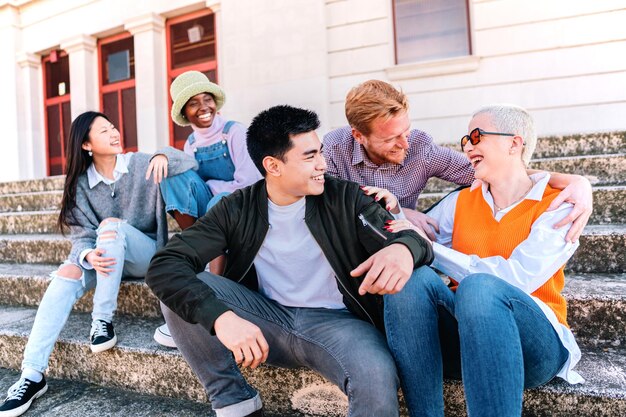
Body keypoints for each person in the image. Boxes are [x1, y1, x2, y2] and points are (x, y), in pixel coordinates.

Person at [145, 105, 434, 417]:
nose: (323, 164)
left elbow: (414, 239)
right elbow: (165, 264)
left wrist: (404, 249)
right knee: (182, 289)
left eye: (321, 153)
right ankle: (234, 401)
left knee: (375, 375)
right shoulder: (236, 208)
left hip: (340, 326)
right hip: (266, 318)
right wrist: (221, 318)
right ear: (273, 165)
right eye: (310, 156)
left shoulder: (346, 198)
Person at [381, 104, 583, 417]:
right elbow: (413, 240)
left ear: (514, 143)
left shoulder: (560, 205)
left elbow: (516, 277)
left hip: (534, 344)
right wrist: (401, 215)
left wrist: (431, 249)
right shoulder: (461, 200)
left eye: (476, 136)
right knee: (412, 277)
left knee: (480, 287)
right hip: (467, 339)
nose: (467, 146)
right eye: (465, 140)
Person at [0, 111, 197, 417]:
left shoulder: (138, 163)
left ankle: (102, 320)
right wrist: (86, 256)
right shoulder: (80, 185)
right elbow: (81, 238)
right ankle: (31, 375)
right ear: (86, 145)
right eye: (104, 131)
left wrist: (162, 154)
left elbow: (188, 162)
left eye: (113, 127)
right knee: (66, 272)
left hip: (145, 257)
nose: (115, 133)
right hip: (104, 259)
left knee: (112, 226)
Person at [323, 79, 592, 243]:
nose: (405, 143)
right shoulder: (334, 149)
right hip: (353, 241)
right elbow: (332, 211)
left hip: (404, 241)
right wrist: (399, 212)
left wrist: (573, 181)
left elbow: (492, 170)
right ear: (358, 135)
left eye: (406, 131)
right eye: (392, 139)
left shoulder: (420, 147)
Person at [154, 71, 262, 347]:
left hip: (242, 210)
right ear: (184, 112)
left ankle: (214, 289)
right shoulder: (190, 144)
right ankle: (197, 252)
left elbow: (249, 182)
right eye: (194, 103)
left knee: (218, 203)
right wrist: (164, 154)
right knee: (173, 174)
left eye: (207, 99)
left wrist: (213, 187)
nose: (204, 108)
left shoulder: (235, 132)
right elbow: (190, 186)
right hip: (213, 216)